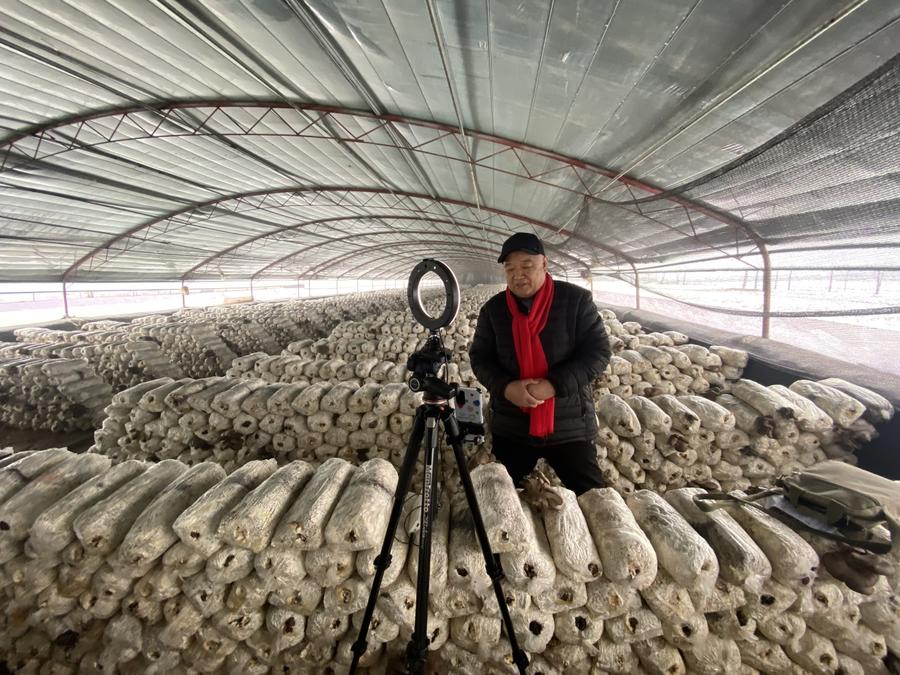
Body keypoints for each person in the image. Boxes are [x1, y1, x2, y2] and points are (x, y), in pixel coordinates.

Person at [469, 232, 611, 495]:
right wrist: (507, 388)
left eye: (526, 266)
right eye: (510, 269)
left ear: (545, 264)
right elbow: (480, 358)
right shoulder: (493, 311)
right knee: (503, 498)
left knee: (594, 497)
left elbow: (598, 352)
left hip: (568, 426)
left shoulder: (576, 301)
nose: (518, 275)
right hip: (513, 427)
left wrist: (553, 385)